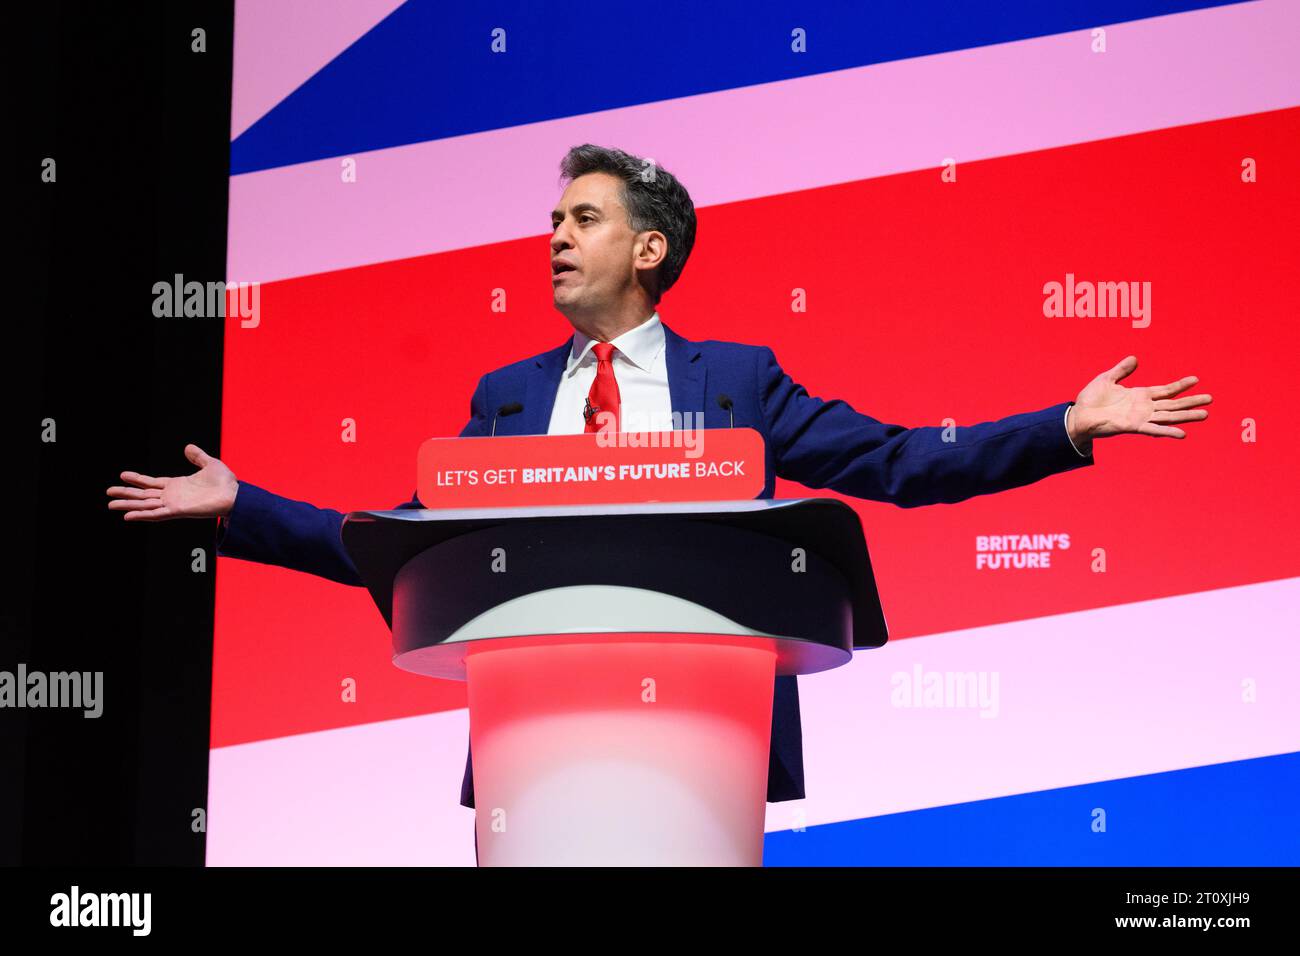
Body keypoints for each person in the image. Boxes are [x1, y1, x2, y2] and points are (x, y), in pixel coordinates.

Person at [108, 144, 1211, 865]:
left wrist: (1062, 424)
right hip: (534, 752)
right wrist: (238, 503)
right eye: (551, 217)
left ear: (649, 248)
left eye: (581, 217)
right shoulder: (506, 397)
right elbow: (395, 543)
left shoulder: (736, 380)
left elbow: (898, 461)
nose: (552, 236)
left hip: (701, 749)